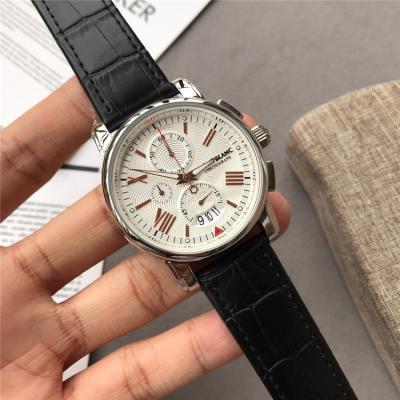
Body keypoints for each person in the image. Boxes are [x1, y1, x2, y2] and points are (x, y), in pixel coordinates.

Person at [1, 77, 291, 399]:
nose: (186, 177)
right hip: (194, 246)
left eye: (187, 176)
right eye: (183, 177)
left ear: (256, 140)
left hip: (236, 221)